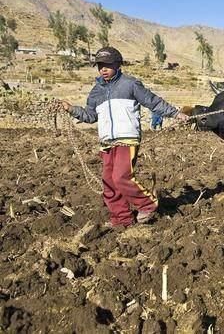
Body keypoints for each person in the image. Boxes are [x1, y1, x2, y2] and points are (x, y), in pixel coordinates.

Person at [61, 46, 189, 227]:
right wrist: (71, 109)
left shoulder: (130, 84)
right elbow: (90, 116)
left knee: (121, 176)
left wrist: (176, 114)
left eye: (107, 65)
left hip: (127, 140)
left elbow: (153, 102)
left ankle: (147, 204)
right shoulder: (95, 92)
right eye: (100, 66)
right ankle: (122, 219)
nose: (103, 69)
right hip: (106, 143)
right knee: (109, 183)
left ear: (118, 64)